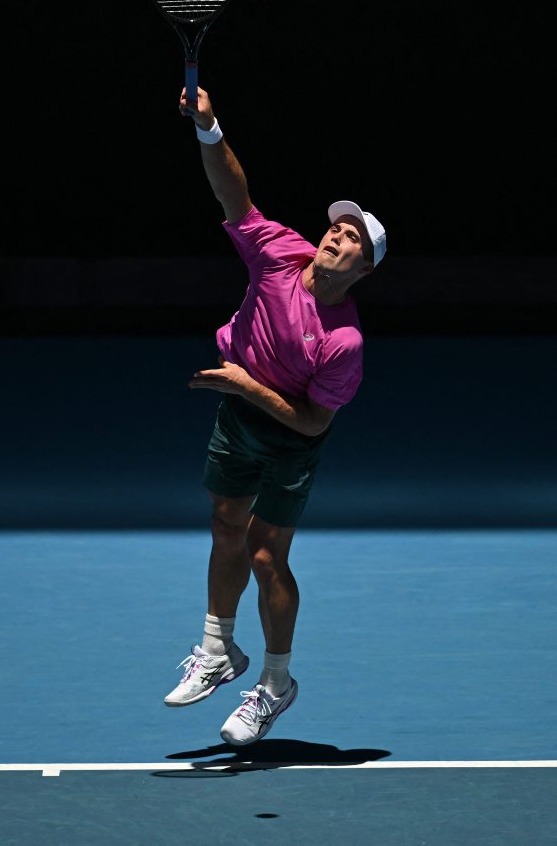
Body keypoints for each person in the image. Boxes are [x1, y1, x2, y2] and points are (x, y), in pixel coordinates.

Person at [163, 85, 387, 746]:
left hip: (290, 437)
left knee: (266, 555)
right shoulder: (279, 254)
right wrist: (209, 129)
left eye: (352, 238)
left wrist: (244, 383)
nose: (337, 235)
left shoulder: (344, 341)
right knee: (225, 522)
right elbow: (233, 196)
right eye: (337, 227)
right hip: (239, 416)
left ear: (364, 268)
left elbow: (314, 424)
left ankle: (276, 684)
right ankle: (217, 650)